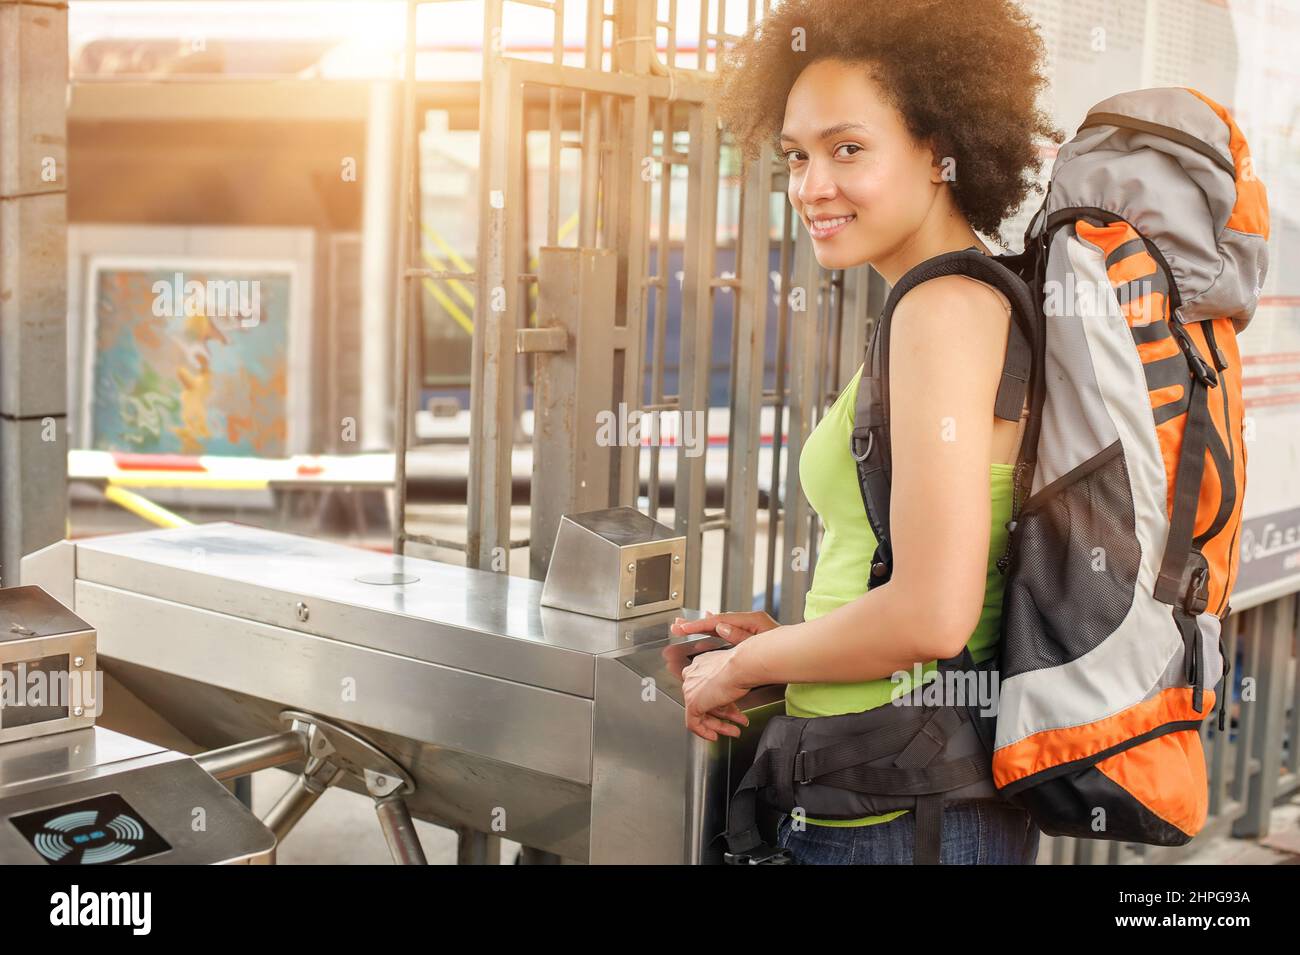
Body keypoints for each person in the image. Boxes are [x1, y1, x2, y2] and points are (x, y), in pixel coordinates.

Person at [671, 0, 1061, 864]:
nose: (813, 186)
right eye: (797, 157)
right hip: (902, 795)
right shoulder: (963, 296)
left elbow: (931, 614)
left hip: (898, 815)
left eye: (848, 149)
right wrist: (785, 645)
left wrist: (734, 671)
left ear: (938, 148)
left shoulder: (942, 309)